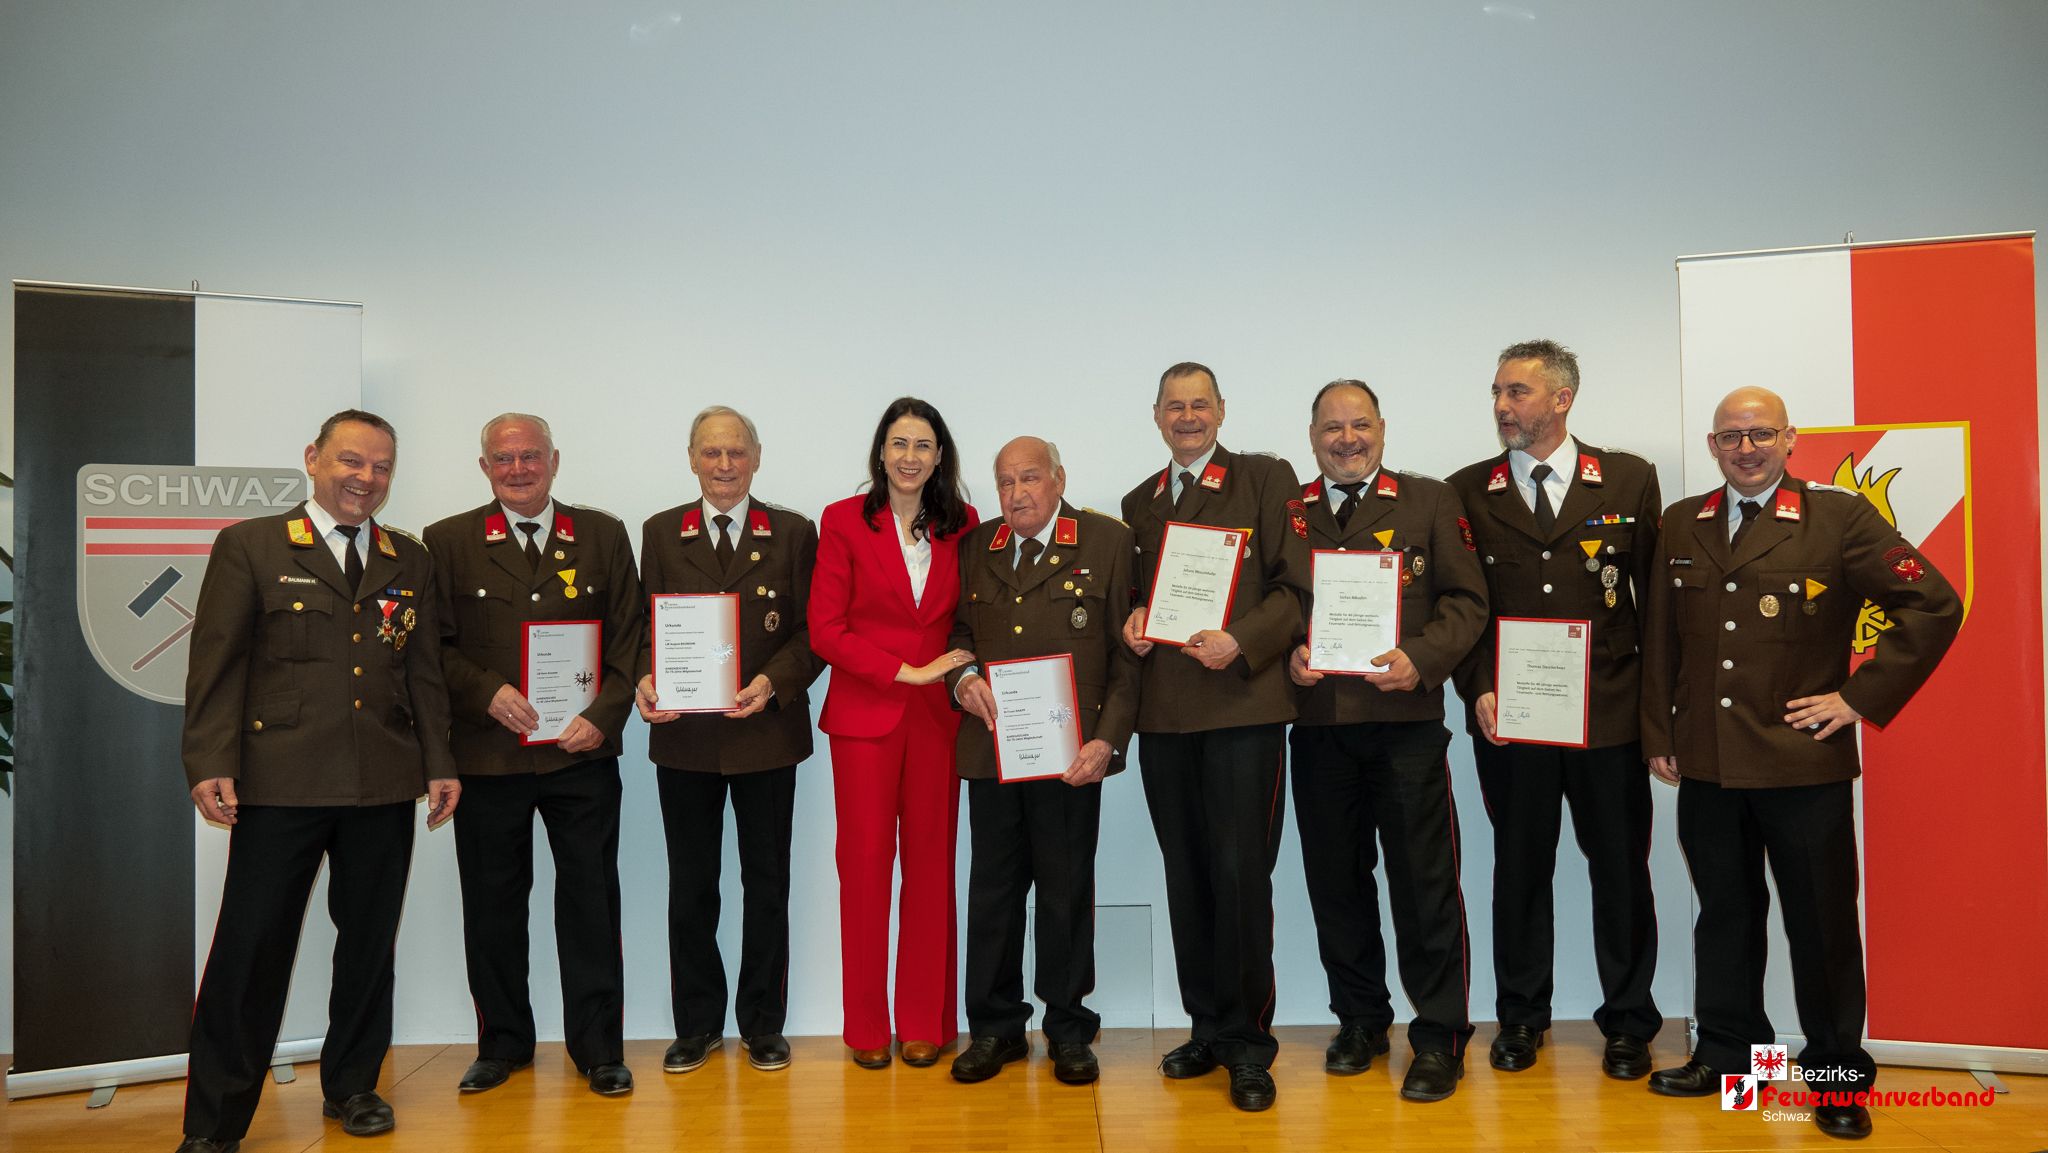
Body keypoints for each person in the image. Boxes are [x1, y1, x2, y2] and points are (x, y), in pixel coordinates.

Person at [1640, 387, 1961, 1141]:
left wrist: (1856, 697)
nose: (1745, 449)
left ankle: (1837, 1079)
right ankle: (1733, 1062)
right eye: (1730, 436)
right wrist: (1660, 729)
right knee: (1726, 918)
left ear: (1790, 439)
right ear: (1712, 445)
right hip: (1709, 763)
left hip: (1801, 763)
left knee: (1821, 928)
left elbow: (1933, 603)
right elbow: (1662, 636)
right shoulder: (1682, 521)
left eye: (1761, 434)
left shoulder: (1838, 516)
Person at [178, 410, 459, 1153]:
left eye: (381, 466)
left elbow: (423, 671)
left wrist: (439, 761)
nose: (366, 478)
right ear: (313, 458)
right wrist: (209, 760)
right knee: (250, 951)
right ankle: (214, 1124)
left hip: (383, 779)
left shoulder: (409, 558)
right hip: (281, 782)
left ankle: (354, 1086)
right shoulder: (252, 545)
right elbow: (216, 663)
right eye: (351, 461)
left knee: (369, 945)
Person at [1446, 340, 1664, 1081]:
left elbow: (1653, 605)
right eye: (1498, 392)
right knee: (1519, 868)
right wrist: (1477, 685)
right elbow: (1463, 607)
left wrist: (1657, 720)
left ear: (1562, 398)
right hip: (1513, 720)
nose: (1502, 406)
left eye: (1518, 392)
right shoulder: (1467, 490)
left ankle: (1629, 1021)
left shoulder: (1628, 478)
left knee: (1621, 871)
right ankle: (1520, 1017)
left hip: (1610, 716)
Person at [423, 413, 643, 1097]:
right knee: (492, 906)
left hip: (580, 757)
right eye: (503, 458)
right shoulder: (447, 541)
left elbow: (631, 639)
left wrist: (602, 718)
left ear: (554, 459)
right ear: (484, 466)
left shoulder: (602, 534)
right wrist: (485, 692)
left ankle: (599, 1049)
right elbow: (431, 649)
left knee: (591, 903)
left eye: (530, 456)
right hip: (488, 758)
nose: (518, 469)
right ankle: (503, 1043)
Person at [1285, 380, 1488, 1101]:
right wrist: (1286, 657)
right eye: (1332, 427)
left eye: (1360, 424)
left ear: (1382, 428)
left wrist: (1422, 658)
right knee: (1336, 884)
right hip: (1319, 728)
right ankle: (1361, 1020)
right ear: (1313, 436)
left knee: (1425, 885)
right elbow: (1273, 605)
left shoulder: (1429, 500)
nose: (1347, 439)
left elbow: (1468, 601)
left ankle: (1439, 1034)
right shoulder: (1290, 512)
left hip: (1406, 727)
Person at [1120, 361, 1310, 1112]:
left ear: (1222, 410)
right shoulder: (1139, 502)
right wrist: (1134, 619)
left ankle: (1249, 1044)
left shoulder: (1264, 479)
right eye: (1175, 406)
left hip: (1242, 710)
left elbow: (1296, 587)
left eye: (1200, 404)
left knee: (1240, 878)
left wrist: (1242, 640)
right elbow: (1136, 600)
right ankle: (1206, 1026)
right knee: (1188, 877)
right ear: (1156, 415)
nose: (1188, 417)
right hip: (1167, 719)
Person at [943, 437, 1140, 1087]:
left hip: (1072, 757)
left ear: (1059, 479)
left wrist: (1108, 740)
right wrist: (963, 678)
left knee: (1066, 891)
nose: (1016, 492)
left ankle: (1068, 1027)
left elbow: (1127, 655)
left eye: (1029, 478)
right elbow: (958, 634)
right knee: (993, 893)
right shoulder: (977, 546)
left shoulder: (1107, 542)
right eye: (1005, 481)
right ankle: (995, 1027)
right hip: (995, 749)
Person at [634, 406, 824, 1074]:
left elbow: (814, 632)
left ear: (756, 457)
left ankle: (763, 1023)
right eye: (711, 452)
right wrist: (645, 678)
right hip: (684, 740)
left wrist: (773, 682)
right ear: (692, 458)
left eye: (736, 452)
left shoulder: (794, 533)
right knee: (691, 888)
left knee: (766, 885)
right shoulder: (661, 532)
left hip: (766, 735)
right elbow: (643, 627)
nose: (723, 465)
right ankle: (697, 1025)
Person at [808, 396, 979, 1069]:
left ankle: (924, 1020)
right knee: (865, 870)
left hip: (939, 719)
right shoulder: (843, 520)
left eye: (923, 445)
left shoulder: (964, 525)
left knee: (932, 868)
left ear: (940, 457)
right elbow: (826, 630)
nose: (910, 456)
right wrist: (905, 671)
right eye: (899, 443)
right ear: (881, 452)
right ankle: (865, 1026)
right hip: (864, 717)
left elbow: (971, 616)